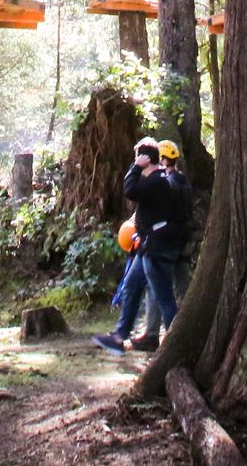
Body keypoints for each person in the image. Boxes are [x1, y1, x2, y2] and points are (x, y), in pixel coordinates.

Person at [95, 138, 188, 353]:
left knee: (164, 297)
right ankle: (120, 336)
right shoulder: (159, 180)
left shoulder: (156, 181)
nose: (135, 162)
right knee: (132, 286)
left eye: (138, 158)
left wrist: (135, 167)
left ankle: (178, 347)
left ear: (146, 160)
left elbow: (129, 189)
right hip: (149, 248)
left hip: (157, 249)